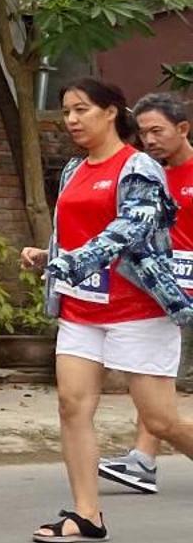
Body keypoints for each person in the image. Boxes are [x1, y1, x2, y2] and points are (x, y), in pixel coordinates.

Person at [23, 79, 193, 542]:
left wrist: (73, 262)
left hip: (138, 310)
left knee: (160, 421)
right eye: (66, 112)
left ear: (112, 112)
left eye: (82, 109)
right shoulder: (74, 169)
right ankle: (86, 515)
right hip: (83, 310)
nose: (73, 120)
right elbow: (75, 230)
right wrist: (49, 255)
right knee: (71, 406)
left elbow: (129, 230)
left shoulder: (138, 167)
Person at [99, 91, 193, 495]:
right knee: (156, 378)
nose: (149, 140)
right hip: (163, 293)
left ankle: (143, 459)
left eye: (157, 131)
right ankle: (143, 460)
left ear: (183, 128)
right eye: (143, 133)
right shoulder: (146, 174)